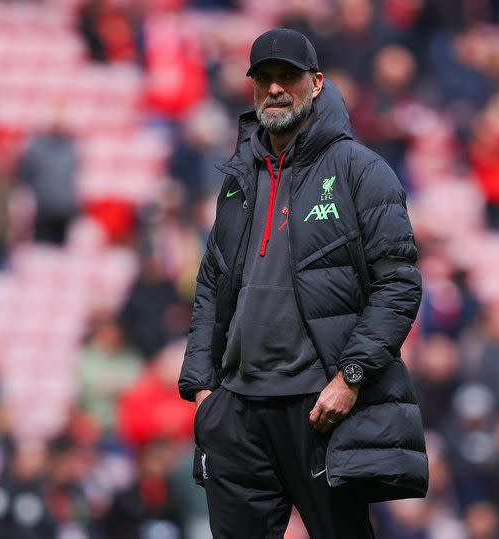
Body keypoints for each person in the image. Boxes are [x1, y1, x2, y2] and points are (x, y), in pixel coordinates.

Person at [178, 28, 427, 538]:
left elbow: (399, 283)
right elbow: (211, 286)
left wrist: (351, 376)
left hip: (320, 409)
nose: (274, 89)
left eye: (287, 77)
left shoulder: (362, 171)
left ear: (315, 83)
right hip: (238, 413)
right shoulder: (236, 180)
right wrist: (204, 391)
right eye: (263, 78)